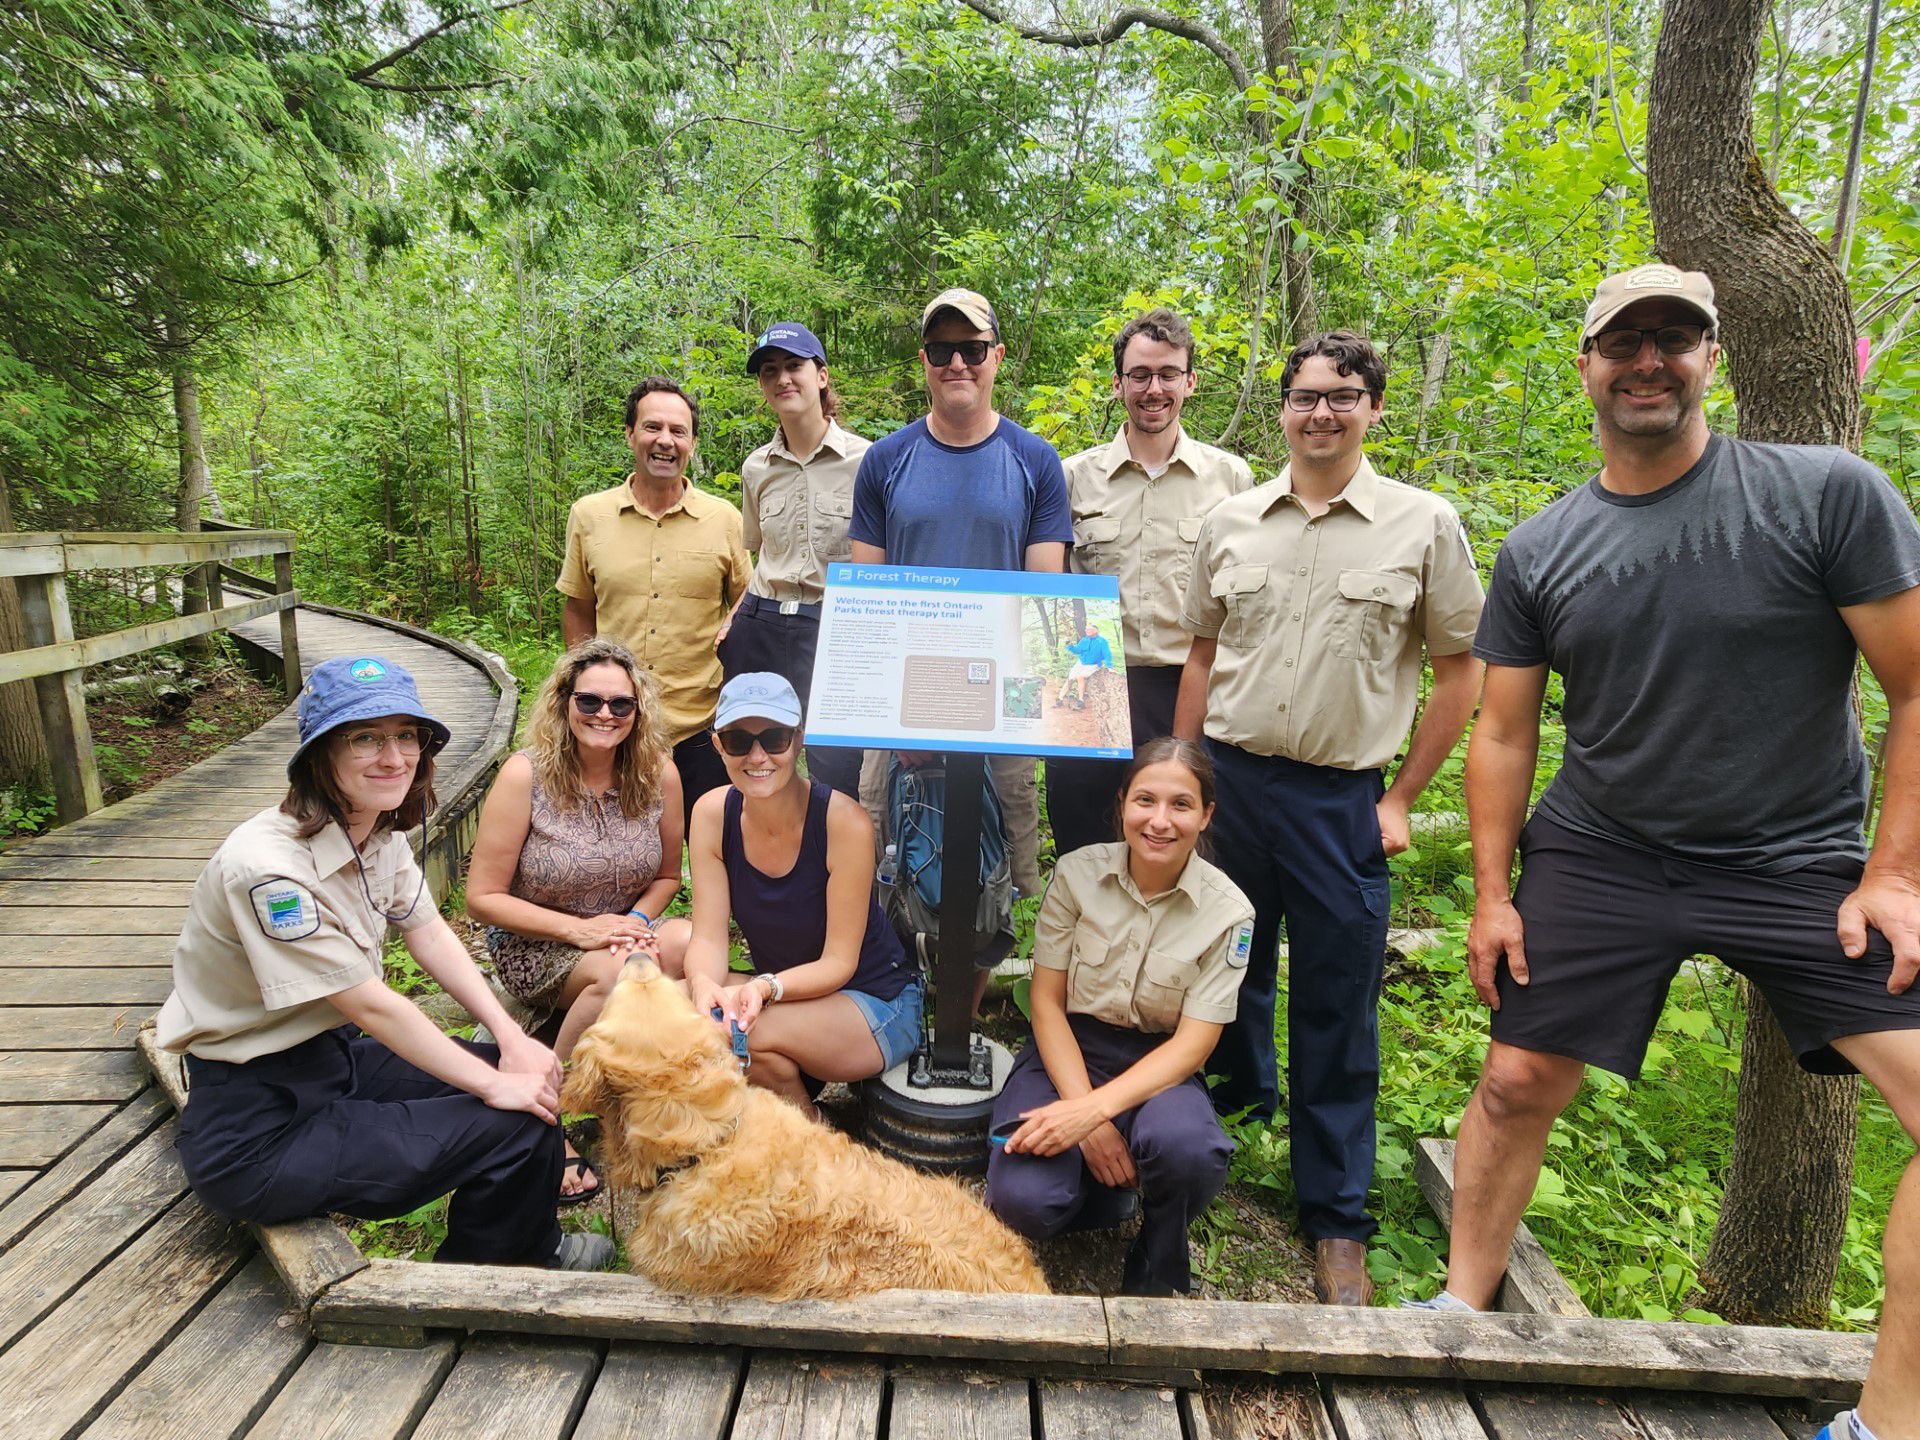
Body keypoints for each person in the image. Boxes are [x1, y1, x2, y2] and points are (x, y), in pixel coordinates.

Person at [1401, 264, 1920, 1440]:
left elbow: (1915, 684)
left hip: (1800, 859)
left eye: (1672, 338)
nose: (1648, 361)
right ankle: (1459, 1308)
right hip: (1605, 850)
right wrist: (1491, 896)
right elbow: (1504, 729)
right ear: (1585, 365)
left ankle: (1885, 1422)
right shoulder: (1544, 548)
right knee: (1517, 1078)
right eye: (1621, 341)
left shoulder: (1826, 496)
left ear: (1710, 356)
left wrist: (1893, 874)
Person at [1174, 330, 1486, 1306]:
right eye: (1306, 396)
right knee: (1223, 972)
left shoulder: (1421, 525)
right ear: (1283, 408)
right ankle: (1214, 1140)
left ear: (1373, 408)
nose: (1322, 413)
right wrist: (1182, 781)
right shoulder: (1231, 522)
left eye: (1343, 396)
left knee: (1338, 1005)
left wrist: (1400, 798)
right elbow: (1198, 654)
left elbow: (1460, 671)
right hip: (1231, 784)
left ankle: (1335, 1215)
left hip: (1342, 798)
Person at [154, 656, 612, 1271]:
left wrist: (510, 1040)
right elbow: (370, 1004)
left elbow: (428, 933)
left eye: (405, 736)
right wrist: (494, 1084)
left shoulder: (373, 831)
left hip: (329, 1059)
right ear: (320, 755)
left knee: (521, 1079)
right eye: (364, 737)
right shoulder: (268, 871)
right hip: (259, 1125)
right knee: (512, 1116)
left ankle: (518, 1242)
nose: (394, 757)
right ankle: (498, 1273)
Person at [986, 738, 1253, 1296]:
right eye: (1145, 800)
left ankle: (1158, 1250)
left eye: (1181, 805)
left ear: (1206, 815)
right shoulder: (1077, 876)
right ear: (1122, 804)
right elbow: (1046, 1004)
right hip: (1068, 1052)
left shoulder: (1230, 912)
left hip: (1160, 1065)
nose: (1160, 821)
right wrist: (1091, 1122)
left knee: (1189, 1151)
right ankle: (1107, 1197)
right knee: (1023, 1201)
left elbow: (1193, 1047)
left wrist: (1087, 1116)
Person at [850, 287, 1072, 908]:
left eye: (971, 348)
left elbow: (1044, 600)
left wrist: (1011, 712)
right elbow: (869, 598)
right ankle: (899, 991)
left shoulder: (1035, 461)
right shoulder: (885, 461)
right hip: (901, 705)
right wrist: (895, 715)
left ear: (996, 356)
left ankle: (970, 999)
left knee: (998, 871)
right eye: (942, 349)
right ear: (923, 359)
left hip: (1001, 709)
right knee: (884, 848)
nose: (958, 364)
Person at [466, 637, 691, 1202]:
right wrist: (583, 932)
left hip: (621, 934)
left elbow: (668, 877)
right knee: (619, 975)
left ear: (639, 712)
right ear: (564, 702)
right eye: (589, 701)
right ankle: (550, 1106)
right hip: (537, 941)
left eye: (621, 704)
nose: (605, 715)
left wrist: (634, 921)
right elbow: (482, 898)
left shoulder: (659, 773)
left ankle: (644, 1085)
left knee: (689, 941)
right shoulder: (527, 777)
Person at [1050, 308, 1254, 857]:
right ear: (1118, 384)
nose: (1153, 388)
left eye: (1168, 373)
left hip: (1189, 688)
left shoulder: (1231, 480)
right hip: (1094, 689)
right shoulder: (1071, 477)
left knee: (1182, 851)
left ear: (1190, 381)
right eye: (1139, 375)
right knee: (1085, 848)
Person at [683, 672, 924, 1108]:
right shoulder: (711, 815)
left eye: (773, 738)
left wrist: (765, 988)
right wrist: (703, 985)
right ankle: (792, 1105)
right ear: (718, 746)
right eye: (738, 741)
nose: (757, 756)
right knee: (682, 1005)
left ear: (799, 738)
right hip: (788, 996)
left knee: (739, 1029)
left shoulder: (843, 822)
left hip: (873, 999)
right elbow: (707, 938)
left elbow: (839, 962)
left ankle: (813, 1151)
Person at [558, 376, 751, 835]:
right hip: (613, 725)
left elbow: (750, 596)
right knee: (610, 851)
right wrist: (580, 690)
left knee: (717, 851)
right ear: (630, 435)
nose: (665, 440)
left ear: (692, 442)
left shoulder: (724, 519)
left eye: (678, 431)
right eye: (652, 427)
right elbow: (579, 607)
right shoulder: (590, 516)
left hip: (701, 729)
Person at [719, 322, 869, 798]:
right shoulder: (756, 467)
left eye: (794, 366)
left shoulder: (868, 461)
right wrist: (736, 615)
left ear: (821, 376)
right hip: (762, 623)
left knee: (836, 769)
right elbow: (762, 555)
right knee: (753, 754)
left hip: (834, 627)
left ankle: (836, 867)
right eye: (770, 371)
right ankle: (762, 861)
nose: (782, 379)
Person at [1059, 621, 1113, 710]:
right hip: (1081, 663)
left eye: (1089, 629)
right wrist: (1069, 645)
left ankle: (1081, 700)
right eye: (1086, 629)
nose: (1087, 631)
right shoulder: (1084, 640)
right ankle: (1060, 699)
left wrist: (1109, 666)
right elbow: (1077, 650)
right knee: (1070, 678)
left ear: (1096, 630)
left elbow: (1107, 654)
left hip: (1093, 664)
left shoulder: (1102, 641)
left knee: (1080, 677)